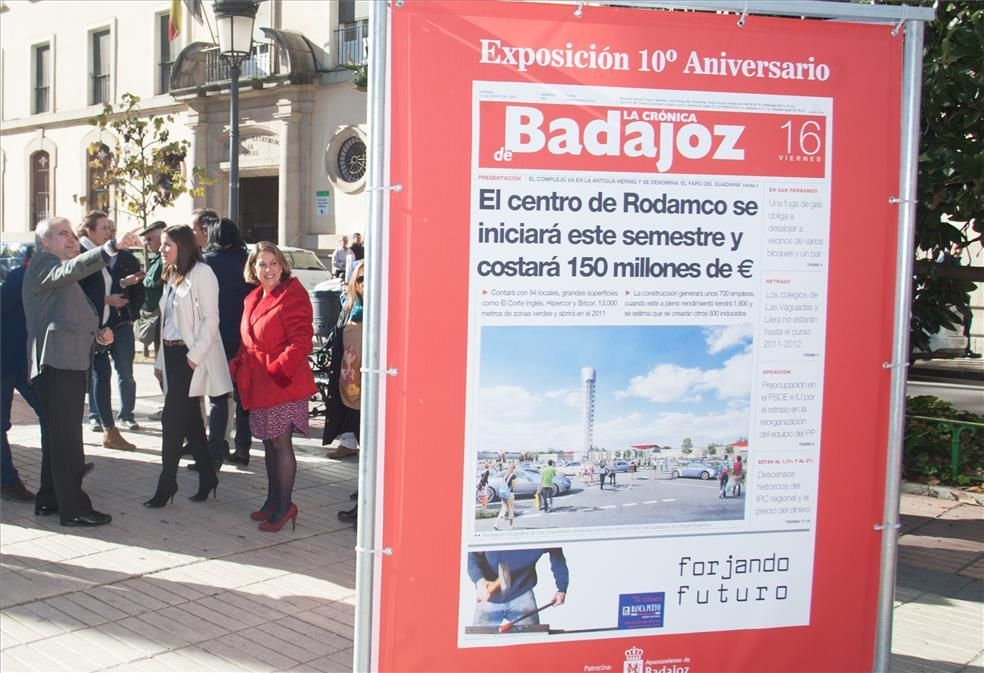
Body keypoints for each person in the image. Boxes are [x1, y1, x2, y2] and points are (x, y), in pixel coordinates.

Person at [24, 217, 141, 526]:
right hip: (58, 365)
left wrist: (99, 333)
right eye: (63, 234)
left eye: (73, 235)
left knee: (56, 438)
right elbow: (72, 270)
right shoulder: (44, 263)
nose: (72, 240)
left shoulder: (56, 270)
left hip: (64, 362)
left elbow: (67, 316)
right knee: (67, 442)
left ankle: (49, 498)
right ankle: (74, 509)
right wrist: (111, 248)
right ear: (45, 242)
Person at [231, 242, 317, 531]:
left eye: (273, 263)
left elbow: (302, 340)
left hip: (283, 382)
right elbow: (248, 340)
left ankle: (285, 507)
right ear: (253, 269)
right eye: (262, 264)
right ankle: (272, 502)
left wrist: (277, 369)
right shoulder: (253, 297)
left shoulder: (293, 294)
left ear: (282, 266)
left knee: (281, 445)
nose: (268, 269)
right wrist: (239, 364)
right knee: (268, 444)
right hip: (259, 382)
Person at [144, 225, 231, 508]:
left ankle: (166, 483)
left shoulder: (202, 274)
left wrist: (194, 356)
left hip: (189, 357)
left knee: (171, 422)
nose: (161, 249)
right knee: (191, 421)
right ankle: (208, 476)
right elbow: (168, 322)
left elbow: (211, 319)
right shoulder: (172, 274)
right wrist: (159, 361)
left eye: (167, 244)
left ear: (182, 245)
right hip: (170, 356)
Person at [77, 210, 142, 448]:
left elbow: (102, 285)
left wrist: (124, 283)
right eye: (104, 228)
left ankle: (109, 430)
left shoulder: (98, 254)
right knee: (90, 379)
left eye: (110, 229)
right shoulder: (83, 254)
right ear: (89, 231)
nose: (108, 232)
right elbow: (78, 292)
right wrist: (106, 301)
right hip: (83, 332)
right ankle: (101, 429)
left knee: (102, 375)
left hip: (101, 329)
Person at [195, 217, 253, 471]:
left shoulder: (206, 264)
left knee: (218, 396)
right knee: (243, 397)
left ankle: (215, 452)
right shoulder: (248, 261)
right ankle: (242, 448)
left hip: (215, 338)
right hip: (244, 338)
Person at [1, 250, 40, 502]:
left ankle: (66, 467)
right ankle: (7, 480)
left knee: (50, 411)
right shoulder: (20, 277)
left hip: (24, 364)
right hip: (4, 361)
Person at [324, 259, 365, 460]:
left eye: (370, 277)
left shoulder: (383, 309)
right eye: (361, 278)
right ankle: (348, 443)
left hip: (370, 378)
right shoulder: (349, 308)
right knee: (350, 413)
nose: (365, 283)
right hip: (349, 377)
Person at [469, 548, 568, 627]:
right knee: (477, 642)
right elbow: (472, 556)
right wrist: (479, 581)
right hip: (490, 597)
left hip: (522, 592)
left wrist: (561, 588)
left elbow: (556, 553)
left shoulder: (541, 532)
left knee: (531, 643)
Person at [135, 220, 166, 357]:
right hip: (154, 316)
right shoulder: (158, 260)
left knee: (162, 362)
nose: (146, 243)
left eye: (150, 239)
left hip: (161, 318)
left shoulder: (164, 261)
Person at [494, 464, 517, 530]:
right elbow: (513, 486)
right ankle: (510, 525)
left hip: (503, 494)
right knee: (511, 509)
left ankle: (496, 524)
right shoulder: (514, 475)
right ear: (514, 469)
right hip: (510, 494)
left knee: (503, 509)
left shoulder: (505, 475)